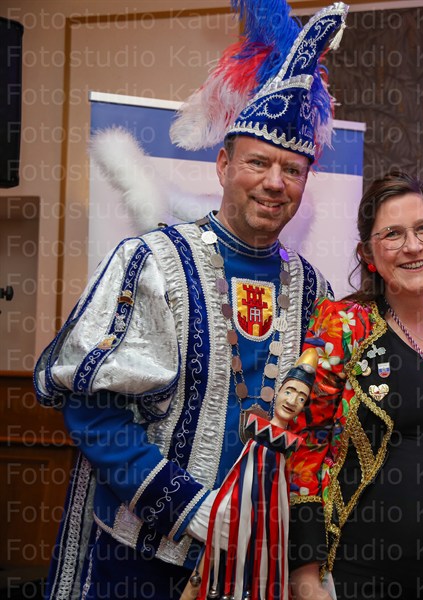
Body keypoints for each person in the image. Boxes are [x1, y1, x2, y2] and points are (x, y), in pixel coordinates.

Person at [32, 3, 348, 599]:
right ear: (224, 165)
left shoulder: (314, 289)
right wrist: (187, 506)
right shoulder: (149, 262)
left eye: (292, 169)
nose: (274, 182)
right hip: (142, 560)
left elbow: (314, 430)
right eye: (258, 162)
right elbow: (92, 409)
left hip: (260, 560)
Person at [286, 171, 423, 600]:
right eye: (392, 234)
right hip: (360, 576)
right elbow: (304, 447)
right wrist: (305, 575)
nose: (413, 246)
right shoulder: (344, 328)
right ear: (368, 254)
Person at [183, 346, 320, 600]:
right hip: (235, 511)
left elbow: (277, 493)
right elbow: (239, 475)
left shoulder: (285, 446)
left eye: (301, 398)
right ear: (278, 391)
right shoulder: (259, 433)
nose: (292, 401)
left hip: (264, 524)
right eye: (289, 391)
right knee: (213, 565)